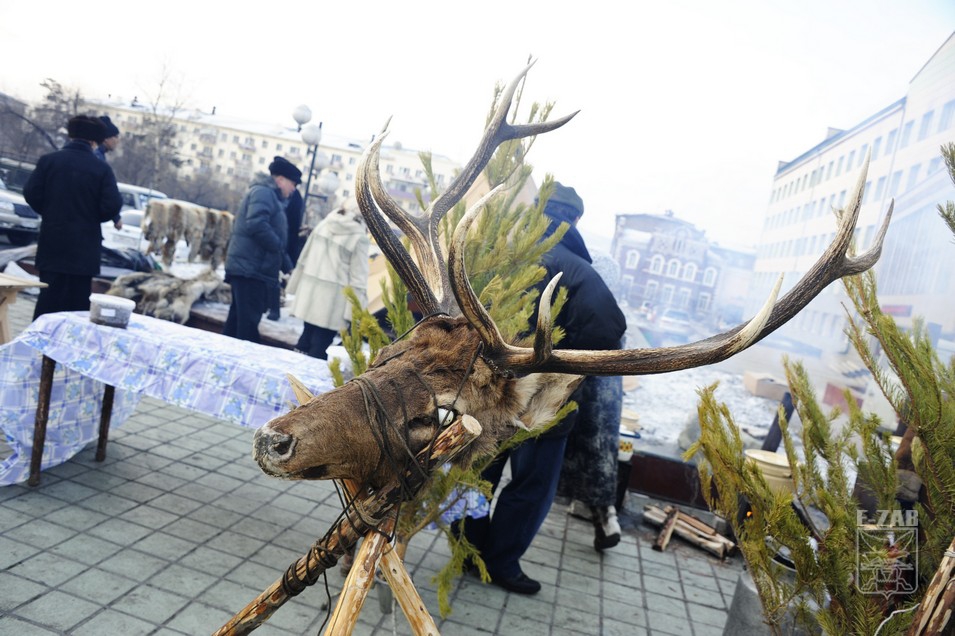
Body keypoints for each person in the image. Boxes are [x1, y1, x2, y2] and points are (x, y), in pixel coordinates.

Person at [460, 182, 626, 594]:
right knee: (531, 485)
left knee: (477, 473)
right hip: (543, 404)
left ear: (537, 210)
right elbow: (611, 331)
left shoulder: (503, 256)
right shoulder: (580, 271)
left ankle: (467, 550)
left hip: (490, 392)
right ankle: (501, 562)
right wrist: (563, 360)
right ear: (575, 220)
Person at [558, 250, 626, 552]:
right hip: (601, 400)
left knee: (566, 449)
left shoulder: (578, 307)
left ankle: (598, 515)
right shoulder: (613, 320)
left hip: (576, 390)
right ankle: (605, 517)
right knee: (599, 453)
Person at [23, 115, 123, 320]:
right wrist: (91, 218)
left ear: (71, 135)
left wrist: (51, 212)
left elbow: (31, 193)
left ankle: (42, 339)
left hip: (52, 242)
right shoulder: (101, 169)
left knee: (47, 300)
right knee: (76, 307)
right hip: (84, 250)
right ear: (95, 141)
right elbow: (112, 205)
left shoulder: (49, 161)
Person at [222, 157, 299, 343]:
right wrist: (278, 247)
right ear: (280, 179)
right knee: (247, 327)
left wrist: (287, 265)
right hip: (250, 270)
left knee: (237, 323)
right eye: (293, 184)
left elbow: (273, 236)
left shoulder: (270, 196)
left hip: (251, 268)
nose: (294, 189)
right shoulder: (264, 193)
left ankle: (224, 356)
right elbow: (257, 224)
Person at [287, 199, 370, 359]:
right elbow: (358, 279)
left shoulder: (324, 224)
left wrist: (295, 285)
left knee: (305, 339)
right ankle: (309, 375)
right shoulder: (359, 238)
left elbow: (304, 257)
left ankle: (293, 370)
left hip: (311, 294)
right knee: (320, 347)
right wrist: (355, 311)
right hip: (334, 303)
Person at [266, 162, 305, 321]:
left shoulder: (292, 196)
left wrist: (284, 246)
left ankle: (273, 308)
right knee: (273, 275)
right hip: (279, 241)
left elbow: (292, 224)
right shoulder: (270, 193)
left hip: (282, 242)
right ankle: (272, 307)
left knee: (274, 275)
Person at [94, 115, 124, 230]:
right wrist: (116, 217)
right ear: (106, 138)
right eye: (115, 136)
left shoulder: (98, 156)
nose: (117, 140)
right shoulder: (98, 159)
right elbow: (105, 191)